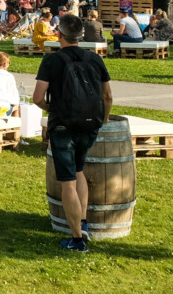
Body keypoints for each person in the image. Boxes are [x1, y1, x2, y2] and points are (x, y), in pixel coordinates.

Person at [33, 14, 114, 253]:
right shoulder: (95, 59)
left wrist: (52, 108)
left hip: (63, 127)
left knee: (67, 181)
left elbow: (38, 97)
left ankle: (77, 239)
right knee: (79, 171)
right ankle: (84, 222)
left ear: (59, 35)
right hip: (90, 125)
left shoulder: (51, 61)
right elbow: (107, 96)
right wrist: (105, 117)